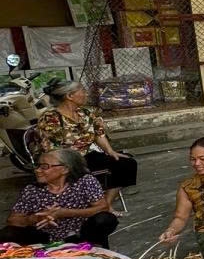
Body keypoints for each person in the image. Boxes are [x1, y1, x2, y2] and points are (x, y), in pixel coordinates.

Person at [33, 78, 137, 208]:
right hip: (64, 160)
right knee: (84, 174)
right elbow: (51, 149)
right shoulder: (51, 118)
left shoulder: (85, 113)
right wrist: (72, 164)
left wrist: (110, 151)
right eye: (82, 91)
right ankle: (94, 206)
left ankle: (105, 205)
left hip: (86, 155)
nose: (85, 94)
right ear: (70, 96)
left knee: (126, 163)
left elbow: (99, 134)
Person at [4, 148, 117, 247]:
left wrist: (65, 213)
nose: (37, 170)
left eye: (44, 167)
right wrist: (35, 219)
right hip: (45, 238)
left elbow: (102, 207)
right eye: (38, 166)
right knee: (8, 234)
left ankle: (93, 249)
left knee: (104, 219)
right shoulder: (32, 189)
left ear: (65, 169)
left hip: (80, 234)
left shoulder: (85, 181)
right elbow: (12, 220)